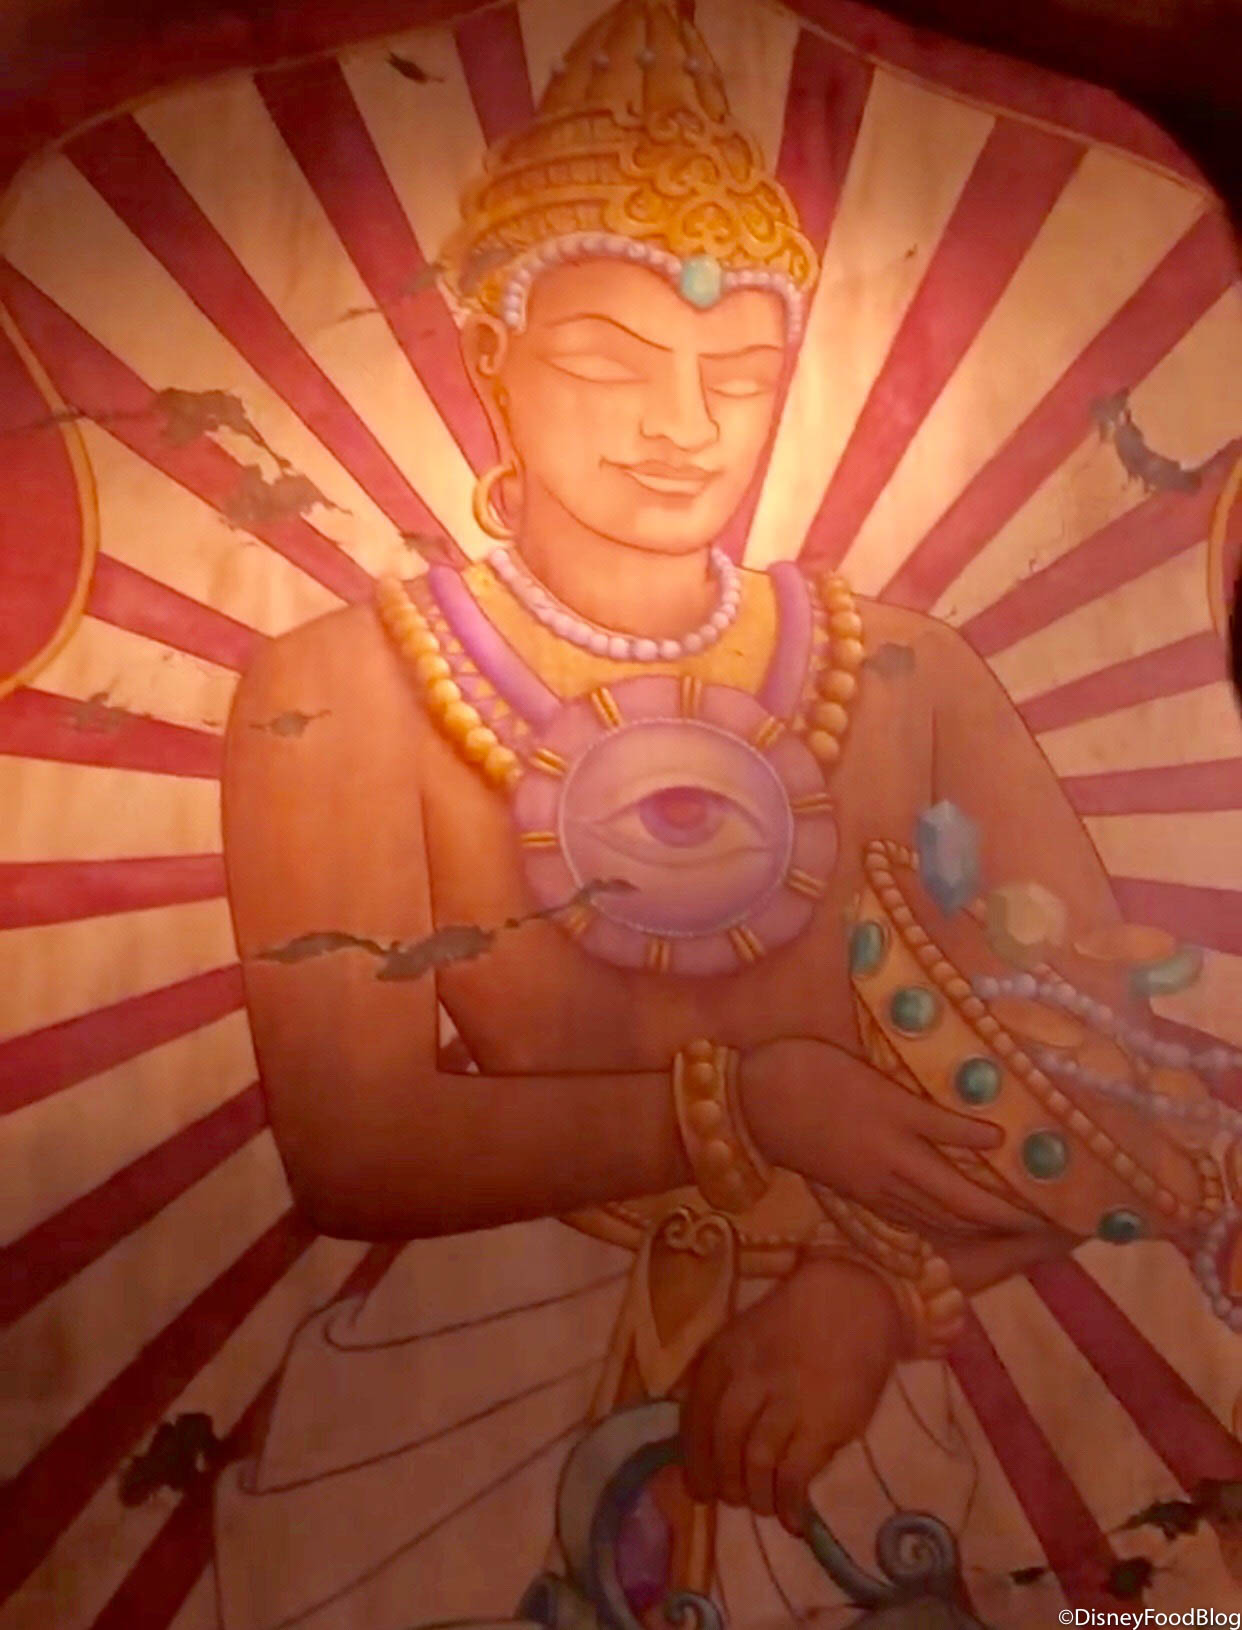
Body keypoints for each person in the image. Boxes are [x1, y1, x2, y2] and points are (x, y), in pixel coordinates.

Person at [213, 4, 1238, 1625]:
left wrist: (878, 1288)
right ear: (486, 357)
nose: (683, 425)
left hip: (860, 1356)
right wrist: (747, 1102)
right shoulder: (341, 686)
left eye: (739, 375)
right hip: (481, 1352)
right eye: (607, 363)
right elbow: (351, 1141)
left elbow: (1108, 1076)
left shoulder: (905, 671)